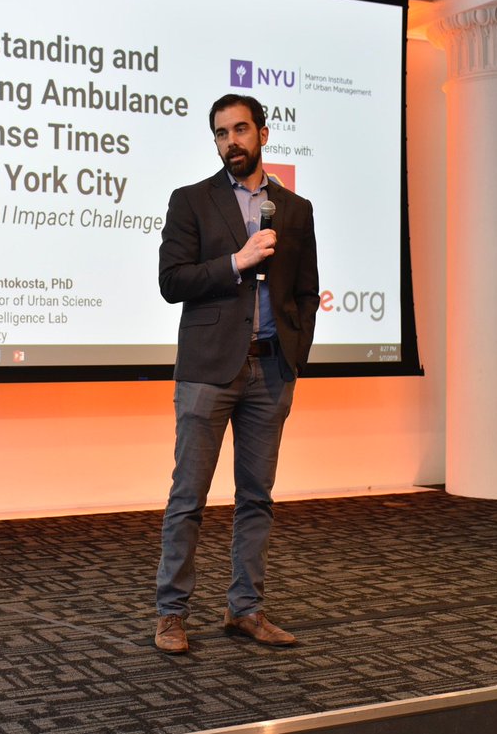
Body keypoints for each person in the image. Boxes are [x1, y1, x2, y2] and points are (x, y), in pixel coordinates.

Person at [154, 93, 319, 654]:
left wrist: (295, 356)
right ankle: (172, 615)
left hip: (270, 371)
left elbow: (304, 291)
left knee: (257, 498)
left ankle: (244, 609)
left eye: (240, 130)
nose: (232, 143)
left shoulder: (295, 210)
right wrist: (236, 262)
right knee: (188, 498)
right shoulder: (191, 202)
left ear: (263, 134)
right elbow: (172, 281)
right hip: (207, 371)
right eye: (221, 134)